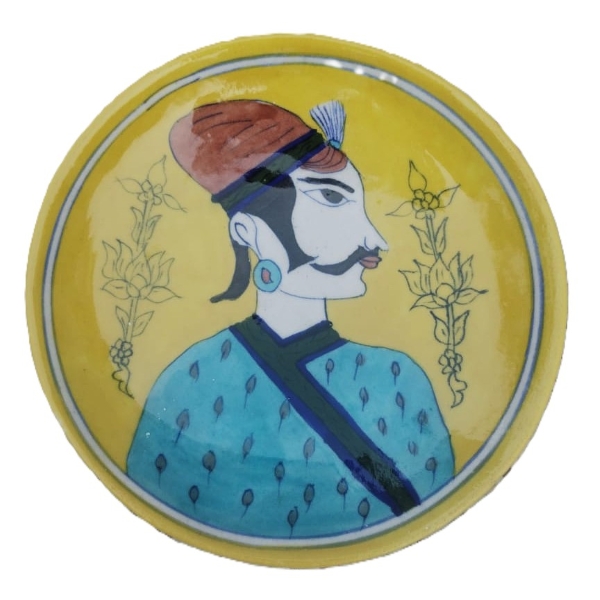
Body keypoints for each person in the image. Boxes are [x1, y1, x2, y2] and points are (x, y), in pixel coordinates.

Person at [126, 99, 454, 539]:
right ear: (247, 230)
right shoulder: (188, 383)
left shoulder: (402, 381)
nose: (373, 240)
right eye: (332, 198)